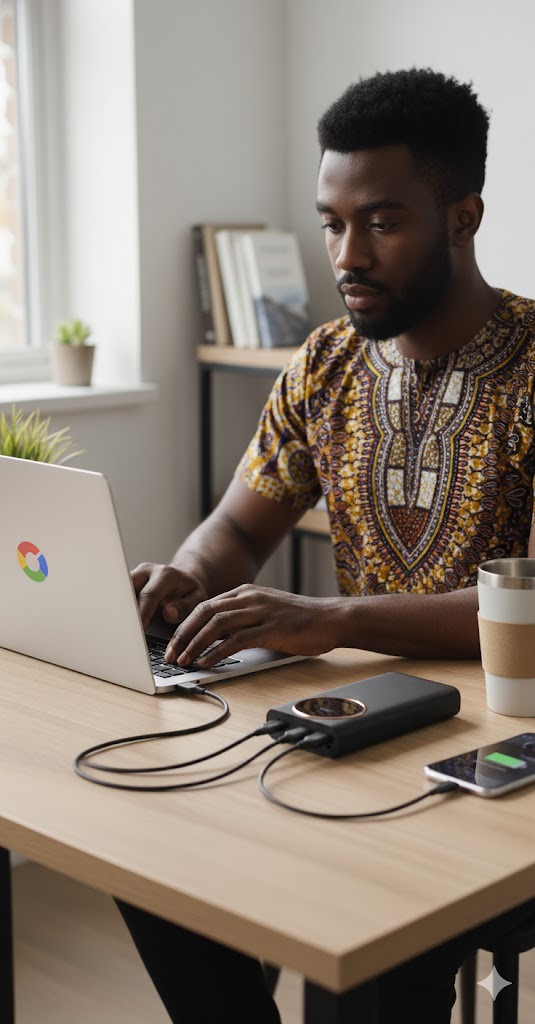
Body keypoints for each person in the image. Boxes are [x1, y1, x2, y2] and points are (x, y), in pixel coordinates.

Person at [117, 68, 535, 1023]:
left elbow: (526, 617)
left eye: (381, 222)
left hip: (499, 755)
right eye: (331, 222)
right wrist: (183, 576)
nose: (347, 253)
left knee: (361, 960)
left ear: (462, 217)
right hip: (361, 729)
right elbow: (235, 528)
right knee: (149, 852)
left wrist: (329, 619)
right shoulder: (327, 361)